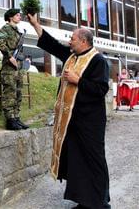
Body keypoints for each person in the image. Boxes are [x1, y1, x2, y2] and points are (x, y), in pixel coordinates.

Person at [27, 13, 111, 209]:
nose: (69, 41)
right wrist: (36, 25)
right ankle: (85, 202)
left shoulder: (98, 60)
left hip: (90, 123)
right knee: (78, 163)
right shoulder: (72, 57)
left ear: (83, 40)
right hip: (73, 122)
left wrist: (78, 80)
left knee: (93, 161)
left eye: (72, 38)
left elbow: (100, 90)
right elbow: (53, 45)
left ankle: (100, 204)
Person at [0, 9, 29, 131]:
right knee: (10, 92)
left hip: (19, 67)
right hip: (9, 67)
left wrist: (24, 60)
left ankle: (16, 117)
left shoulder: (18, 31)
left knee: (18, 92)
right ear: (10, 17)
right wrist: (9, 57)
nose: (20, 17)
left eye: (20, 15)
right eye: (17, 15)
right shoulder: (6, 29)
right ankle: (10, 120)